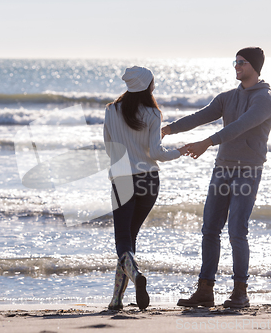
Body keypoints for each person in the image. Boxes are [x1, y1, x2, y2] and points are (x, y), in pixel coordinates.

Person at [162, 47, 271, 308]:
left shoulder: (265, 99)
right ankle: (205, 290)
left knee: (237, 230)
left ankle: (240, 292)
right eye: (235, 62)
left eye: (242, 62)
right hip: (222, 169)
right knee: (210, 229)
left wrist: (207, 142)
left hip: (247, 170)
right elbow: (199, 117)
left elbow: (240, 126)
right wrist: (167, 130)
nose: (237, 66)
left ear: (256, 67)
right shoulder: (226, 98)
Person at [103, 66, 189, 310]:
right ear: (147, 86)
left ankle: (136, 276)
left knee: (123, 240)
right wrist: (179, 152)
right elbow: (156, 153)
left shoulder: (111, 111)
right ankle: (117, 299)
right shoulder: (153, 113)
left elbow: (109, 147)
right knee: (129, 239)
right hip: (149, 180)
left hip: (122, 179)